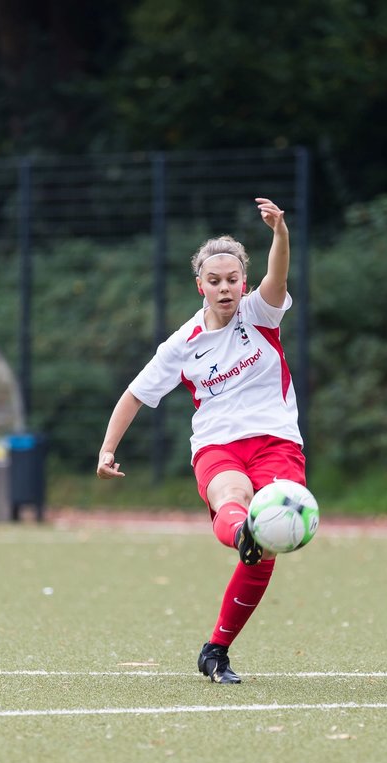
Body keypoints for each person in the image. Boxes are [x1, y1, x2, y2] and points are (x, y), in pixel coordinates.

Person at [96, 197, 304, 684]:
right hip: (218, 446)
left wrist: (280, 233)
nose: (225, 287)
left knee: (268, 543)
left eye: (233, 279)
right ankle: (241, 534)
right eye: (215, 280)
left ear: (243, 283)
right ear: (201, 286)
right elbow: (134, 395)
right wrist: (107, 449)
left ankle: (216, 649)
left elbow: (279, 277)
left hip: (277, 442)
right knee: (235, 501)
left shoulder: (260, 315)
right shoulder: (182, 343)